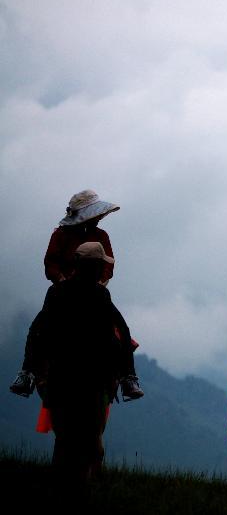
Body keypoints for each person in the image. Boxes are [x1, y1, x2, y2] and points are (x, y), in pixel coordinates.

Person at [10, 190, 143, 400]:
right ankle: (26, 373)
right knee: (37, 329)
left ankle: (128, 377)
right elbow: (50, 264)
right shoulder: (60, 235)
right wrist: (63, 281)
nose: (100, 217)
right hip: (62, 290)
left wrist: (98, 282)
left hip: (95, 290)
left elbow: (109, 266)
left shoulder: (101, 236)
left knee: (121, 331)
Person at [36, 242, 125, 493]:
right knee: (89, 437)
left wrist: (39, 373)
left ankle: (60, 487)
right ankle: (83, 488)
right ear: (95, 267)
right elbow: (110, 339)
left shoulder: (56, 293)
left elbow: (42, 334)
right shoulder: (101, 295)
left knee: (64, 440)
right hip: (92, 380)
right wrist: (117, 373)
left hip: (60, 377)